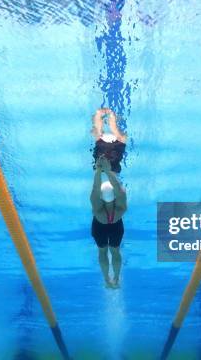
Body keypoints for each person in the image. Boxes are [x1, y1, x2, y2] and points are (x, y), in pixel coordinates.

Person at [91, 156, 127, 288]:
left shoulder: (97, 207)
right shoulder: (121, 206)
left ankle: (107, 279)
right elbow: (118, 187)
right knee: (115, 251)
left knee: (102, 251)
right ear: (115, 195)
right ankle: (116, 278)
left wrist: (98, 170)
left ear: (101, 196)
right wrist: (107, 170)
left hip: (99, 225)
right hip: (116, 225)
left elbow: (95, 188)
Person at [92, 108, 127, 173]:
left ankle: (111, 116)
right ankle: (110, 116)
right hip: (104, 145)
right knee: (97, 131)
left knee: (98, 131)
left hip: (114, 147)